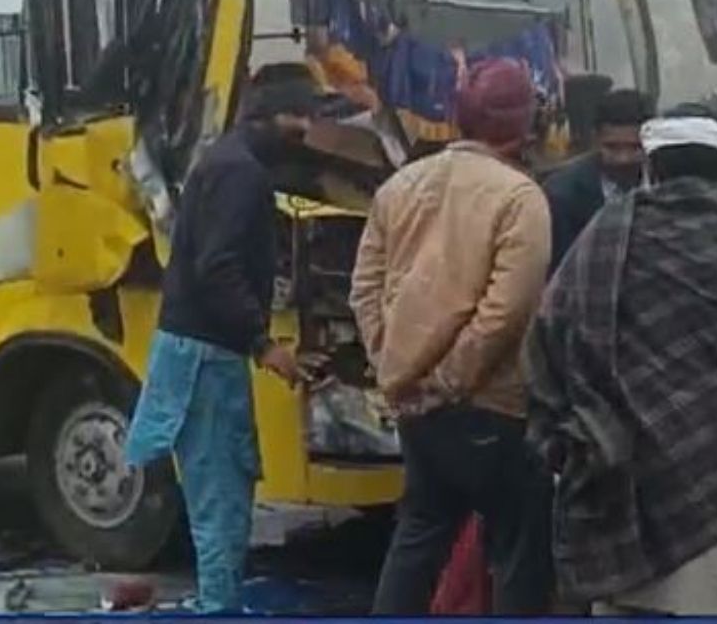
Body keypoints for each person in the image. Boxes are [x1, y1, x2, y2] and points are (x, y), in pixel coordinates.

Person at [527, 111, 717, 615]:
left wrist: (560, 434)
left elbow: (551, 328)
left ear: (652, 167)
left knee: (623, 605)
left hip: (617, 460)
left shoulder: (610, 229)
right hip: (714, 465)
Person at [351, 57, 554, 614]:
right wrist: (449, 381)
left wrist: (396, 369)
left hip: (415, 405)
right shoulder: (521, 198)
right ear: (523, 122)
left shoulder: (399, 186)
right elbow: (506, 313)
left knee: (418, 538)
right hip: (492, 406)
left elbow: (364, 290)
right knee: (517, 550)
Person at [123, 76, 311, 614]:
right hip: (206, 356)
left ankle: (217, 602)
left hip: (198, 349)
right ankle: (218, 609)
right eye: (302, 119)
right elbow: (218, 266)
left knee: (220, 491)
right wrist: (264, 345)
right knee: (221, 498)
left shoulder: (226, 160)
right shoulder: (242, 174)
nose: (307, 132)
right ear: (271, 116)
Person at [542, 88, 653, 271]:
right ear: (595, 139)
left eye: (635, 148)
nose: (623, 158)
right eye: (612, 147)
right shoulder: (563, 196)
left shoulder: (668, 184)